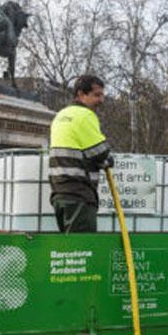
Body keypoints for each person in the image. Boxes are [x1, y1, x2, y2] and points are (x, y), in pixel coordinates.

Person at [49, 74, 112, 233]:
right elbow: (101, 152)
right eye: (97, 95)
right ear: (81, 94)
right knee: (83, 251)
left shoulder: (60, 115)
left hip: (59, 193)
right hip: (79, 195)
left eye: (102, 95)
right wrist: (107, 160)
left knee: (69, 251)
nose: (101, 100)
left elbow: (80, 151)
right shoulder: (85, 115)